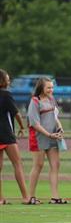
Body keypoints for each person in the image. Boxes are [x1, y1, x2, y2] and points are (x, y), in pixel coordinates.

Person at [27, 77, 67, 204]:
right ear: (41, 88)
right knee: (38, 165)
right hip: (39, 138)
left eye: (52, 87)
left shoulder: (51, 99)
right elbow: (35, 124)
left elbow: (55, 117)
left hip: (52, 137)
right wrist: (49, 134)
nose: (51, 90)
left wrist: (60, 127)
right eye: (48, 87)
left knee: (55, 165)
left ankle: (55, 197)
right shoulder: (35, 101)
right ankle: (31, 197)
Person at [0, 69, 29, 204]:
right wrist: (22, 127)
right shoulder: (6, 95)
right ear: (2, 81)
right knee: (17, 164)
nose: (9, 80)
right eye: (7, 78)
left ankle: (1, 199)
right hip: (6, 134)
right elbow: (16, 113)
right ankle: (25, 197)